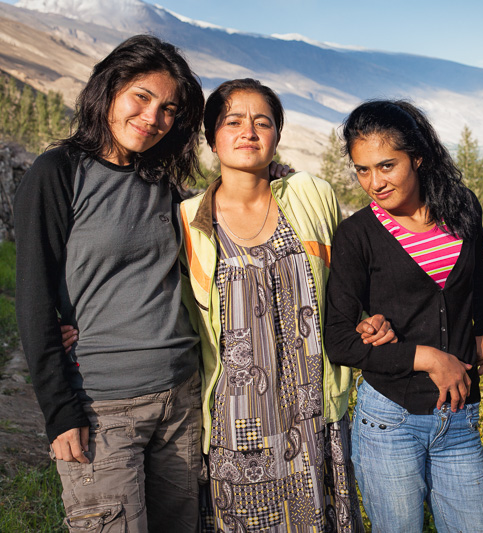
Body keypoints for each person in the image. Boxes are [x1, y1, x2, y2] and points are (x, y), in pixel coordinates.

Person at [180, 79, 394, 533]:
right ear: (211, 136)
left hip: (313, 408)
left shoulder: (309, 194)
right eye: (233, 121)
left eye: (263, 122)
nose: (248, 131)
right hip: (236, 422)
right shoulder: (189, 219)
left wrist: (373, 315)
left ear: (277, 135)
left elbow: (359, 265)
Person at [14, 35, 205, 532]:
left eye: (168, 108)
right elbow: (33, 300)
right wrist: (59, 411)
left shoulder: (161, 179)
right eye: (141, 96)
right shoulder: (58, 172)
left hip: (181, 399)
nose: (152, 117)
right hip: (102, 408)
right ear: (109, 89)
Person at [324, 100, 483, 532]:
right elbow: (339, 339)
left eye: (386, 166)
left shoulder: (463, 209)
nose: (374, 182)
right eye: (362, 170)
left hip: (458, 420)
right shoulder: (358, 234)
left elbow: (480, 276)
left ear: (417, 157)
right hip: (389, 421)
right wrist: (426, 357)